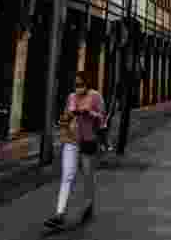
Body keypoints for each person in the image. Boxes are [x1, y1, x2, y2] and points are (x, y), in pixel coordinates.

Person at [45, 73, 104, 231]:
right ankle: (59, 214)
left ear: (87, 84)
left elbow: (101, 120)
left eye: (81, 84)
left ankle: (89, 203)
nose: (78, 88)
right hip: (71, 140)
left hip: (88, 141)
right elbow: (65, 118)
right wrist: (65, 119)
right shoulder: (71, 97)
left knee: (87, 175)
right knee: (67, 175)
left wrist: (89, 113)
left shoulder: (95, 96)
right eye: (76, 85)